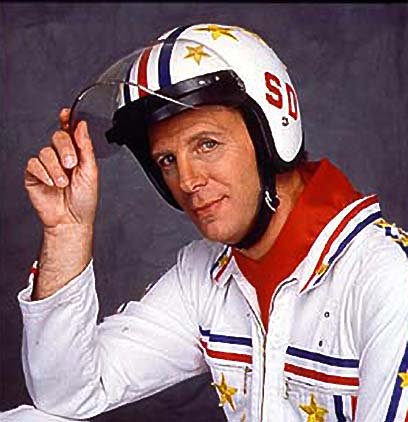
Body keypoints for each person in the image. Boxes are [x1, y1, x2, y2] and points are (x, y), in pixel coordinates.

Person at [6, 23, 408, 421]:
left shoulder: (386, 276)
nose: (187, 180)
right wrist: (68, 231)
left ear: (271, 134)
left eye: (206, 144)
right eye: (167, 160)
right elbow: (69, 394)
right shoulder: (204, 275)